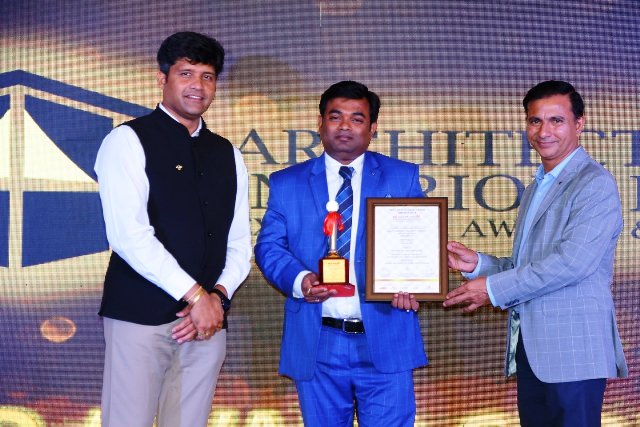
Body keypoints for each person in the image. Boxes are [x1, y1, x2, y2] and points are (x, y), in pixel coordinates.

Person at [443, 80, 628, 426]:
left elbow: (571, 263)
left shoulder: (594, 183)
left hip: (574, 354)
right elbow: (528, 266)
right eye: (535, 121)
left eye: (556, 120)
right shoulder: (536, 187)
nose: (544, 131)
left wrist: (491, 289)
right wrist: (479, 265)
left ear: (579, 124)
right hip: (533, 351)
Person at [94, 31, 251, 427]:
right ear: (162, 78)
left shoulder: (228, 153)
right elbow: (129, 236)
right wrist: (196, 296)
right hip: (140, 317)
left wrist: (217, 298)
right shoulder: (127, 140)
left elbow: (238, 243)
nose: (198, 85)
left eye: (207, 76)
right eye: (186, 74)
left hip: (207, 323)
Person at [254, 80, 427, 427]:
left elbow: (419, 242)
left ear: (373, 128)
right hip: (318, 341)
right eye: (335, 117)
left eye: (357, 118)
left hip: (386, 334)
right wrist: (301, 281)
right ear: (320, 123)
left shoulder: (401, 177)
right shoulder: (287, 182)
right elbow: (269, 247)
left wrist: (413, 284)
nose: (345, 126)